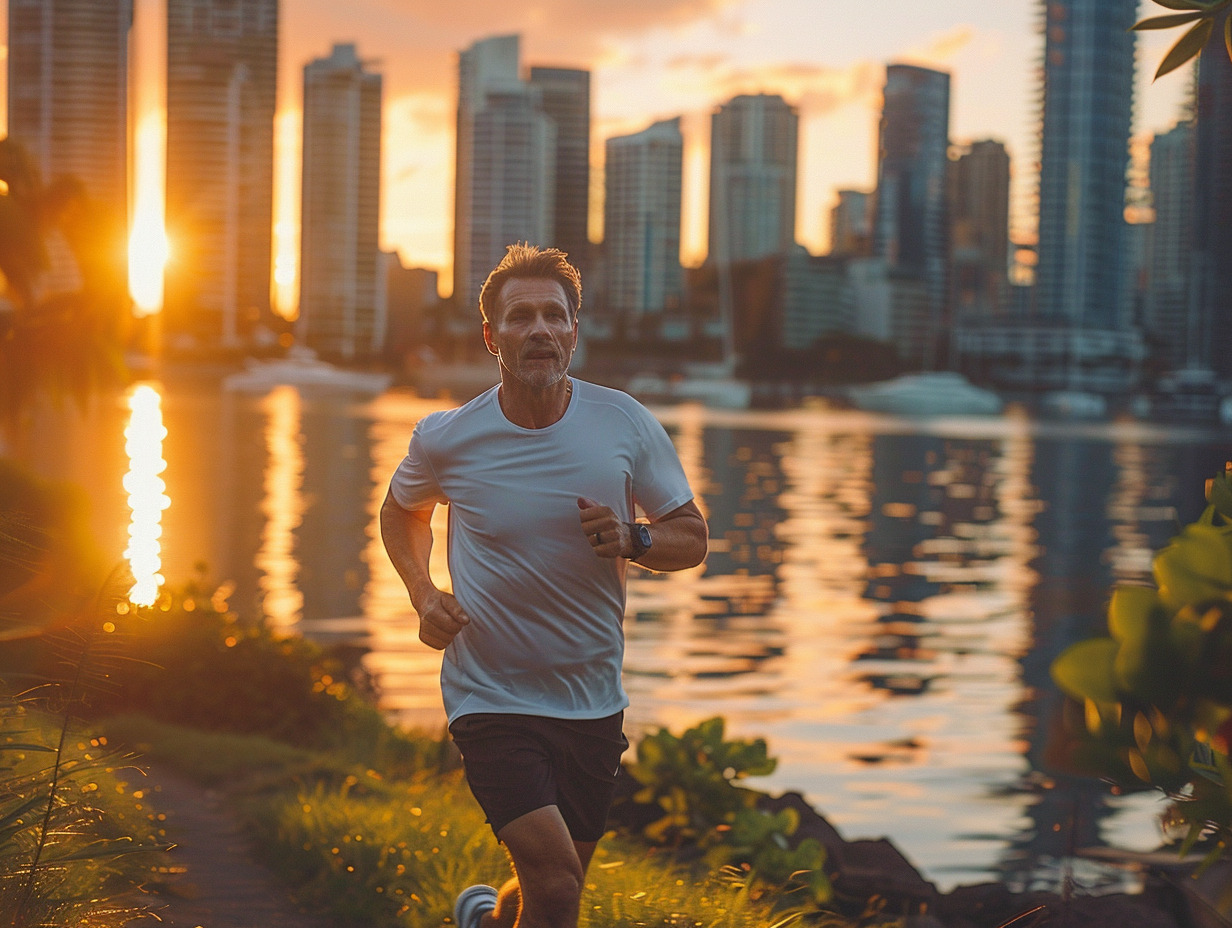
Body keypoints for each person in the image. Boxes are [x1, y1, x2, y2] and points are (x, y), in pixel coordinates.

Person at [380, 243, 708, 928]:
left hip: (592, 702)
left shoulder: (622, 424)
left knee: (547, 890)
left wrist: (634, 538)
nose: (540, 330)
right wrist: (423, 592)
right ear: (491, 336)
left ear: (573, 332)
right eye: (521, 317)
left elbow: (692, 537)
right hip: (490, 696)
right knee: (558, 891)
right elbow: (402, 510)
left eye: (555, 316)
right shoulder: (450, 437)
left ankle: (482, 921)